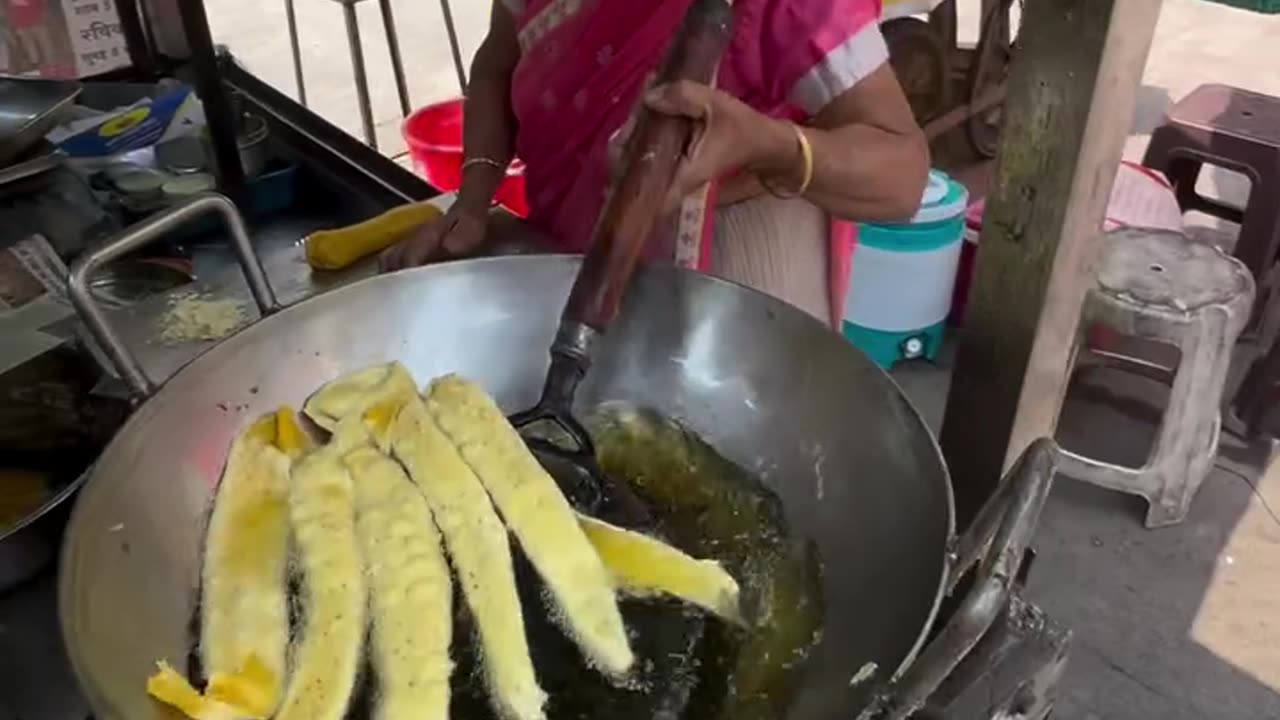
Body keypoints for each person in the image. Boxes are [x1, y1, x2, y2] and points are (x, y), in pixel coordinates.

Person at [382, 0, 930, 328]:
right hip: (569, 242)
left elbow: (902, 175)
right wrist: (473, 200)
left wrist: (766, 144)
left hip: (736, 270)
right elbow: (497, 63)